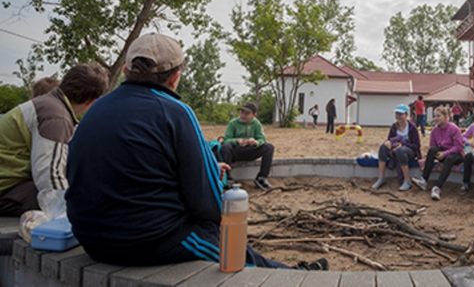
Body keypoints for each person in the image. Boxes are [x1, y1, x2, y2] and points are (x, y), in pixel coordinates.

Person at [66, 33, 327, 270]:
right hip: (144, 239)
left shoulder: (96, 109)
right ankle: (292, 277)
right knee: (231, 251)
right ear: (175, 77)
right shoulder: (176, 112)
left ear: (125, 70)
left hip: (88, 236)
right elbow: (209, 205)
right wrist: (212, 175)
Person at [0, 64, 108, 217]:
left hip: (10, 182)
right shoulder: (56, 117)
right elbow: (49, 175)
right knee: (84, 198)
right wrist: (66, 214)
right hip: (6, 188)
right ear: (92, 101)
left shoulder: (48, 104)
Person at [220, 102, 275, 190]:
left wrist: (256, 142)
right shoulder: (233, 123)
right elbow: (226, 139)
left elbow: (262, 139)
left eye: (247, 113)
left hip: (251, 151)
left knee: (269, 147)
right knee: (226, 146)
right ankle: (228, 178)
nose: (243, 115)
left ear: (254, 115)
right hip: (236, 152)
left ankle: (261, 178)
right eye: (242, 112)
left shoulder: (256, 124)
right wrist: (237, 141)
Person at [411, 106, 463, 200]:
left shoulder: (454, 129)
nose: (436, 118)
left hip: (456, 154)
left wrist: (445, 153)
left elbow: (458, 147)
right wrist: (437, 154)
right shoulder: (435, 130)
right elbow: (433, 146)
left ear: (446, 116)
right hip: (443, 153)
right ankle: (424, 180)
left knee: (449, 158)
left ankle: (437, 187)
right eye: (435, 116)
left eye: (438, 116)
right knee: (432, 150)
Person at [371, 105, 421, 191]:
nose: (398, 116)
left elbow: (416, 145)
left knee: (400, 150)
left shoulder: (412, 127)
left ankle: (407, 180)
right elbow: (390, 139)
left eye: (400, 114)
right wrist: (389, 143)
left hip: (410, 151)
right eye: (397, 114)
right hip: (395, 149)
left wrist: (402, 144)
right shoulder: (394, 126)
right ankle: (381, 177)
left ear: (406, 115)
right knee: (383, 148)